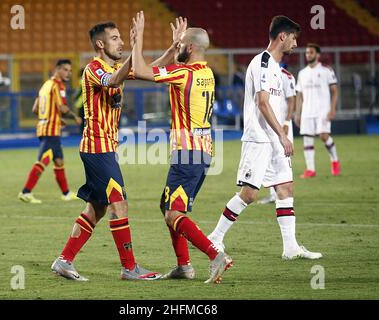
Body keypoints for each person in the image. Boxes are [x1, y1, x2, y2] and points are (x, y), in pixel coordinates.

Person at [51, 22, 161, 281]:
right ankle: (129, 267)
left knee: (96, 209)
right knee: (118, 204)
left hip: (104, 149)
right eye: (115, 38)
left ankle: (64, 261)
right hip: (96, 148)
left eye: (122, 37)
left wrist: (173, 46)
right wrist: (136, 47)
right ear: (101, 44)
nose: (121, 42)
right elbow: (112, 81)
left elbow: (151, 69)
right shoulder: (94, 69)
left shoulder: (114, 68)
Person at [207, 16, 322, 261]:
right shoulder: (262, 62)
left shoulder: (278, 71)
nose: (295, 43)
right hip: (259, 139)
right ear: (283, 36)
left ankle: (290, 248)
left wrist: (281, 135)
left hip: (275, 140)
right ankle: (215, 237)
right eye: (293, 38)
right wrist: (283, 135)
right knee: (249, 194)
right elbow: (262, 103)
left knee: (285, 187)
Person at [131, 11, 232, 284]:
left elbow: (139, 71)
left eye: (181, 46)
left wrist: (138, 38)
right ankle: (184, 266)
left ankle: (215, 256)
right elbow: (176, 64)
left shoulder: (182, 73)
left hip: (187, 154)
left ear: (190, 48)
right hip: (204, 152)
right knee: (168, 206)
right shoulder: (206, 73)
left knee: (173, 212)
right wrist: (176, 46)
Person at [18, 59, 82, 204]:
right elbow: (62, 108)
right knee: (43, 160)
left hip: (44, 126)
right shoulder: (58, 85)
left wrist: (55, 118)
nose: (69, 73)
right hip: (50, 130)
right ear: (57, 69)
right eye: (65, 70)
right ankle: (26, 191)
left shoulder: (45, 86)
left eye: (70, 70)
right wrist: (74, 117)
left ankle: (65, 193)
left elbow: (35, 109)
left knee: (59, 161)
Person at [295, 43, 340, 178]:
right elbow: (299, 95)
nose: (308, 55)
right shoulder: (302, 73)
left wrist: (332, 108)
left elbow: (334, 91)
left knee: (323, 136)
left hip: (323, 110)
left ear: (318, 55)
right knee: (307, 139)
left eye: (311, 52)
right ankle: (310, 169)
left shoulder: (327, 71)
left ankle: (334, 160)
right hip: (307, 111)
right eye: (307, 52)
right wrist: (298, 113)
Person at [258, 62, 296, 204]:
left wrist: (287, 122)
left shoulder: (286, 76)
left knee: (283, 159)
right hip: (270, 124)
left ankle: (284, 194)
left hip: (283, 125)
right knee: (269, 157)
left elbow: (291, 101)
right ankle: (275, 195)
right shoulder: (264, 74)